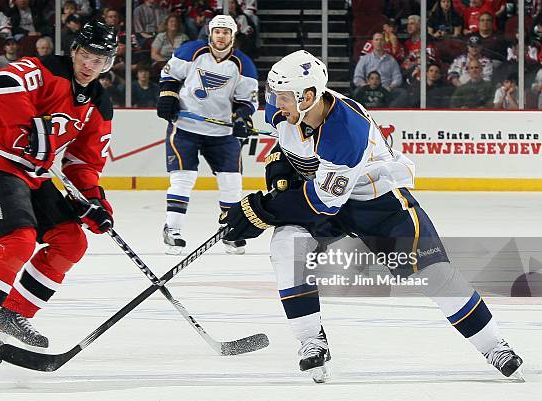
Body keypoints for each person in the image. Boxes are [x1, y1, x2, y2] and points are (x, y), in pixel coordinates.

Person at [221, 50, 524, 383]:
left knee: (433, 272)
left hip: (378, 203)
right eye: (274, 95)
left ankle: (495, 346)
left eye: (282, 98)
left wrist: (259, 211)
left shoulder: (346, 132)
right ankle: (311, 341)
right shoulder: (286, 107)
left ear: (308, 96)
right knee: (287, 247)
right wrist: (278, 171)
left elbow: (324, 203)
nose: (275, 104)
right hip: (329, 196)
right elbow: (284, 145)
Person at [0, 20, 117, 362]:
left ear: (109, 63)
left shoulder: (99, 105)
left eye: (99, 60)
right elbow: (0, 82)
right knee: (19, 238)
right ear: (74, 52)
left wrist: (91, 200)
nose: (90, 65)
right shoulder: (46, 69)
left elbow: (82, 162)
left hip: (34, 175)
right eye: (85, 55)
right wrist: (30, 125)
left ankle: (12, 314)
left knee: (71, 241)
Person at [157, 15, 258, 255]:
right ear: (210, 33)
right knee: (184, 177)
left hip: (222, 133)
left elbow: (247, 101)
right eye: (217, 32)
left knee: (232, 182)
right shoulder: (191, 51)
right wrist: (168, 96)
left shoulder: (244, 65)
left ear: (233, 36)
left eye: (226, 32)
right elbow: (169, 76)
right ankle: (173, 229)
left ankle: (230, 230)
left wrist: (242, 117)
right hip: (185, 127)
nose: (221, 36)